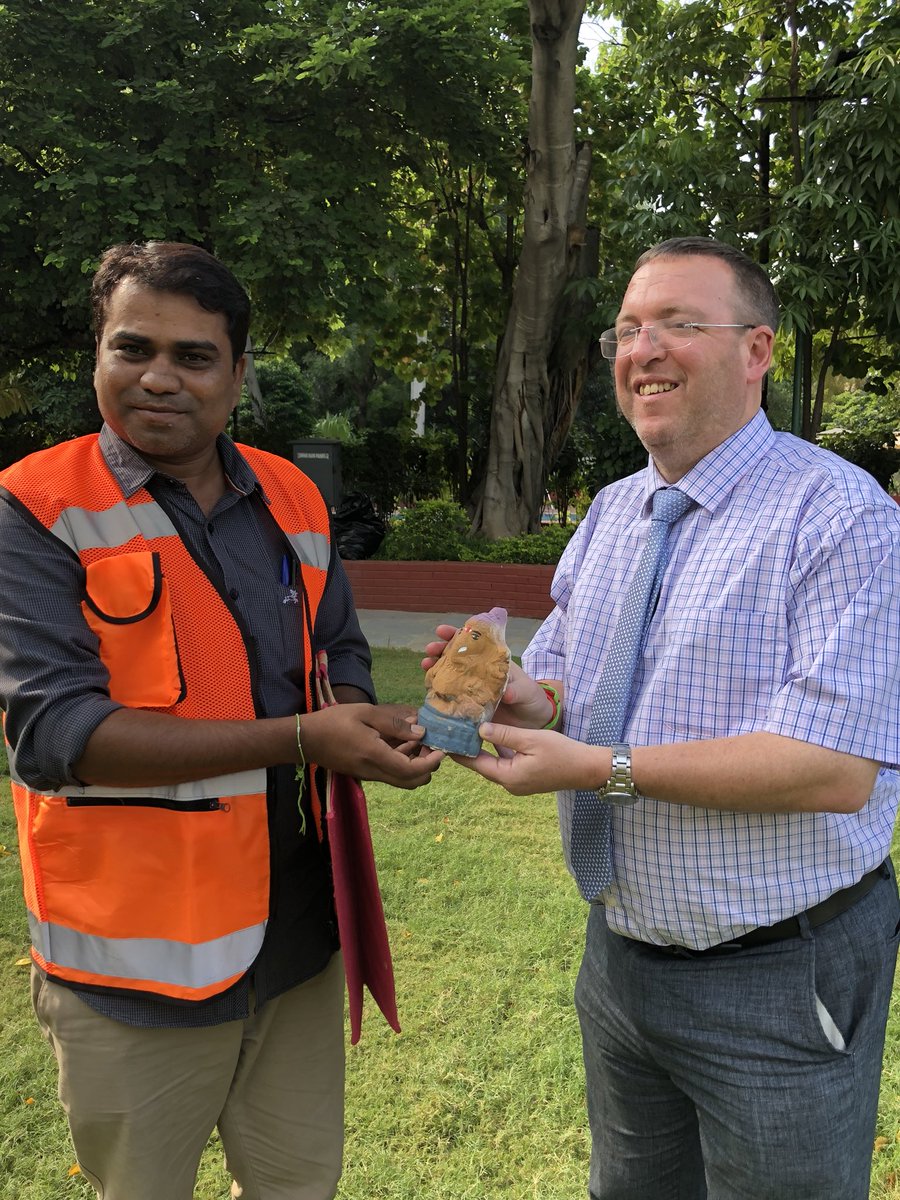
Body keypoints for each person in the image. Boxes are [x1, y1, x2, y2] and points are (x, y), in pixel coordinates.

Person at [428, 237, 900, 1199]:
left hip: (778, 968)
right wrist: (516, 695)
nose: (644, 348)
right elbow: (562, 682)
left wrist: (592, 766)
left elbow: (830, 766)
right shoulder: (611, 511)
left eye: (681, 324)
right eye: (630, 327)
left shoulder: (840, 516)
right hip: (622, 961)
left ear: (757, 350)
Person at [0, 241, 443, 1200]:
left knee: (297, 1187)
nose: (159, 376)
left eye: (194, 356)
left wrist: (367, 726)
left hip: (295, 944)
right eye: (133, 348)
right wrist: (300, 740)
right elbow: (54, 734)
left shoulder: (291, 496)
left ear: (238, 376)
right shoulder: (35, 506)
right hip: (134, 965)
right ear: (98, 358)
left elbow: (342, 654)